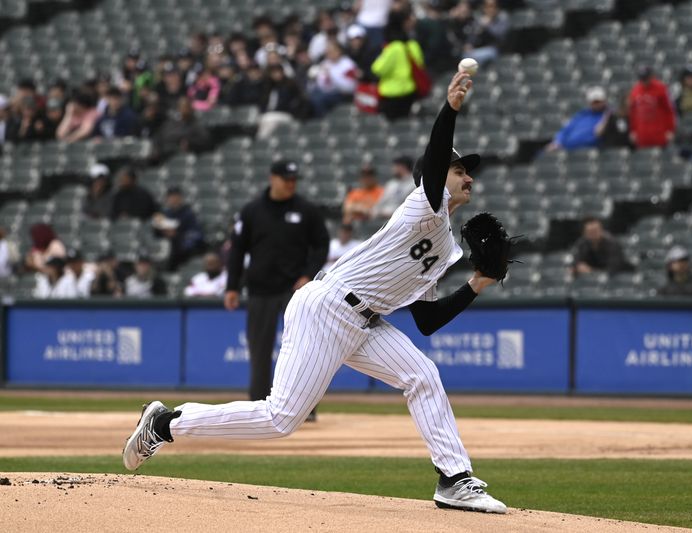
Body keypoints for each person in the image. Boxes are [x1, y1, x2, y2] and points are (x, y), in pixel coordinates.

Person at [123, 70, 508, 515]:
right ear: (438, 176)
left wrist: (476, 284)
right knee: (280, 419)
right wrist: (451, 109)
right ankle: (166, 424)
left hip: (366, 323)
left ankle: (454, 480)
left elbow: (427, 320)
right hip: (327, 307)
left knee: (422, 375)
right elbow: (437, 154)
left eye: (468, 171)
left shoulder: (445, 247)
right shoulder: (425, 206)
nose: (468, 177)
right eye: (461, 169)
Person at [222, 159, 329, 402]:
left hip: (295, 290)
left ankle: (304, 405)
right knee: (259, 350)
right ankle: (258, 403)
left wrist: (308, 275)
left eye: (294, 180)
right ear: (273, 178)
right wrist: (232, 286)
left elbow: (322, 245)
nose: (291, 184)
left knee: (302, 350)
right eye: (286, 179)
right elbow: (237, 250)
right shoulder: (252, 211)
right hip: (260, 290)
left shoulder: (306, 210)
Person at [371, 9, 423, 121]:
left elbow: (377, 69)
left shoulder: (394, 48)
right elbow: (420, 64)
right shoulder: (413, 45)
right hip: (410, 92)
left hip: (392, 95)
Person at [153, 186, 205, 271]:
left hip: (183, 249)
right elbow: (156, 232)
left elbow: (196, 233)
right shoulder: (164, 214)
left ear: (181, 198)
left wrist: (177, 234)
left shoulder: (188, 214)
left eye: (176, 196)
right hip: (167, 246)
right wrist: (163, 232)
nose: (173, 199)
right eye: (171, 197)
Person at [546, 87, 611, 151]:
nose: (596, 104)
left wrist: (607, 117)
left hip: (587, 150)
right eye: (594, 102)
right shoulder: (582, 114)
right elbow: (566, 129)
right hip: (566, 148)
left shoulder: (608, 116)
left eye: (598, 101)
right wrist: (557, 142)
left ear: (604, 101)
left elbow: (598, 134)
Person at [255, 65, 310, 140]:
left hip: (285, 114)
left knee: (267, 120)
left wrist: (295, 113)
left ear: (282, 72)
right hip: (270, 114)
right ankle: (263, 143)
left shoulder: (290, 85)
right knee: (263, 119)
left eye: (278, 72)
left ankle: (261, 142)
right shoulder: (268, 87)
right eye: (273, 73)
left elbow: (300, 101)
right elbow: (262, 103)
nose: (276, 75)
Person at [627, 66, 676, 148]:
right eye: (642, 78)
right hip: (642, 135)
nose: (644, 81)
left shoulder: (661, 88)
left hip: (659, 134)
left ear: (651, 76)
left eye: (646, 78)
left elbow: (669, 111)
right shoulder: (635, 90)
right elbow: (633, 113)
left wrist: (670, 130)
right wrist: (633, 130)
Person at [308, 40, 358, 117]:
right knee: (310, 96)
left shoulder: (348, 64)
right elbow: (321, 82)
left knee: (319, 99)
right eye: (327, 51)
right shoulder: (325, 63)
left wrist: (331, 75)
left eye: (331, 51)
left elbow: (350, 86)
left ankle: (322, 122)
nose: (328, 53)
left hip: (343, 94)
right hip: (326, 92)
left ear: (339, 51)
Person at [152, 96, 211, 161]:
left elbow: (205, 140)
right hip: (167, 156)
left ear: (190, 108)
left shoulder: (196, 124)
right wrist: (156, 149)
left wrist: (190, 143)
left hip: (186, 157)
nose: (183, 109)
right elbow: (158, 136)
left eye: (185, 106)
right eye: (181, 107)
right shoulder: (170, 123)